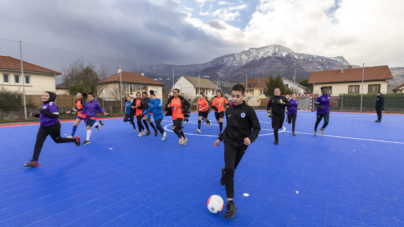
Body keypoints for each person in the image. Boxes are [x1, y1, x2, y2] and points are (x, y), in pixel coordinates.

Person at [214, 84, 261, 219]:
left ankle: (224, 171)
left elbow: (257, 128)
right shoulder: (228, 110)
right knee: (230, 171)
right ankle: (231, 203)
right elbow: (228, 127)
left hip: (241, 145)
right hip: (229, 142)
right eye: (232, 96)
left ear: (243, 96)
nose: (234, 99)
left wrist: (250, 138)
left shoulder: (249, 111)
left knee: (231, 169)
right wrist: (220, 138)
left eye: (237, 96)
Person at [24, 92, 80, 167]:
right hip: (43, 127)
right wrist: (35, 115)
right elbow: (44, 115)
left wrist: (43, 111)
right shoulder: (45, 105)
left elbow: (55, 115)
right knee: (38, 143)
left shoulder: (52, 104)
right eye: (42, 95)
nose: (43, 97)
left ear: (51, 97)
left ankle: (75, 140)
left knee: (58, 140)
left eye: (46, 96)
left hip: (53, 126)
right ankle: (35, 161)